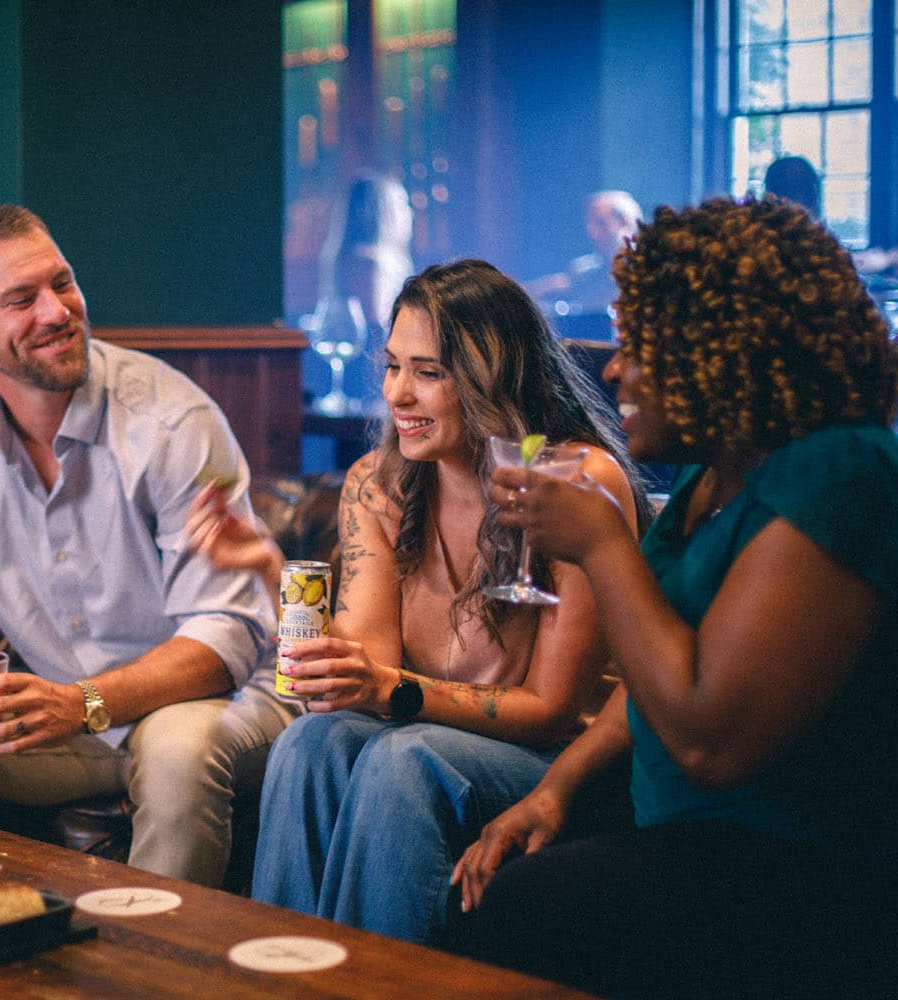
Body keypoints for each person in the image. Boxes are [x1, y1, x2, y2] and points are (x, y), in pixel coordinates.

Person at [450, 196, 898, 997]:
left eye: (637, 345)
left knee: (531, 907)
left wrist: (603, 545)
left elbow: (713, 743)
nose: (611, 368)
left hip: (819, 870)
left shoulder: (843, 473)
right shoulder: (715, 479)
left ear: (721, 353)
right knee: (493, 865)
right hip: (702, 834)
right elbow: (649, 676)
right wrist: (555, 791)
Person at [187, 259, 650, 943]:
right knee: (310, 743)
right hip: (428, 737)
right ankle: (278, 973)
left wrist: (390, 688)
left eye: (429, 372)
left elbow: (553, 711)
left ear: (493, 378)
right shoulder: (377, 483)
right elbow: (357, 677)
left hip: (557, 760)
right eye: (394, 366)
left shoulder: (574, 477)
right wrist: (268, 569)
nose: (398, 394)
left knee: (402, 760)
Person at [0, 203, 295, 888]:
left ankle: (155, 974)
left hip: (221, 706)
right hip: (82, 719)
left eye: (62, 283)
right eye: (22, 300)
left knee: (177, 747)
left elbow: (225, 636)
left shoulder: (171, 419)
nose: (58, 311)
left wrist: (82, 702)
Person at [303, 171, 414, 415]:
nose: (409, 212)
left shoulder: (346, 255)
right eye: (403, 204)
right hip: (372, 381)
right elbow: (377, 327)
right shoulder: (369, 262)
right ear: (383, 211)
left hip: (361, 380)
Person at [526, 189, 644, 321]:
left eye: (601, 224)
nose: (594, 234)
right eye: (591, 226)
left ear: (624, 222)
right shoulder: (583, 272)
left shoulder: (649, 269)